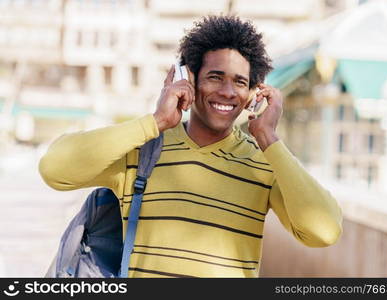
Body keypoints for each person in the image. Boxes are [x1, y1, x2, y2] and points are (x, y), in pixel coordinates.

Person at [39, 15, 342, 278]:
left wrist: (268, 139)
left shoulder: (266, 164)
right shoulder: (142, 149)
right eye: (215, 77)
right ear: (190, 80)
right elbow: (54, 169)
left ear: (253, 93)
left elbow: (324, 231)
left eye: (239, 82)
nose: (226, 92)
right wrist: (156, 121)